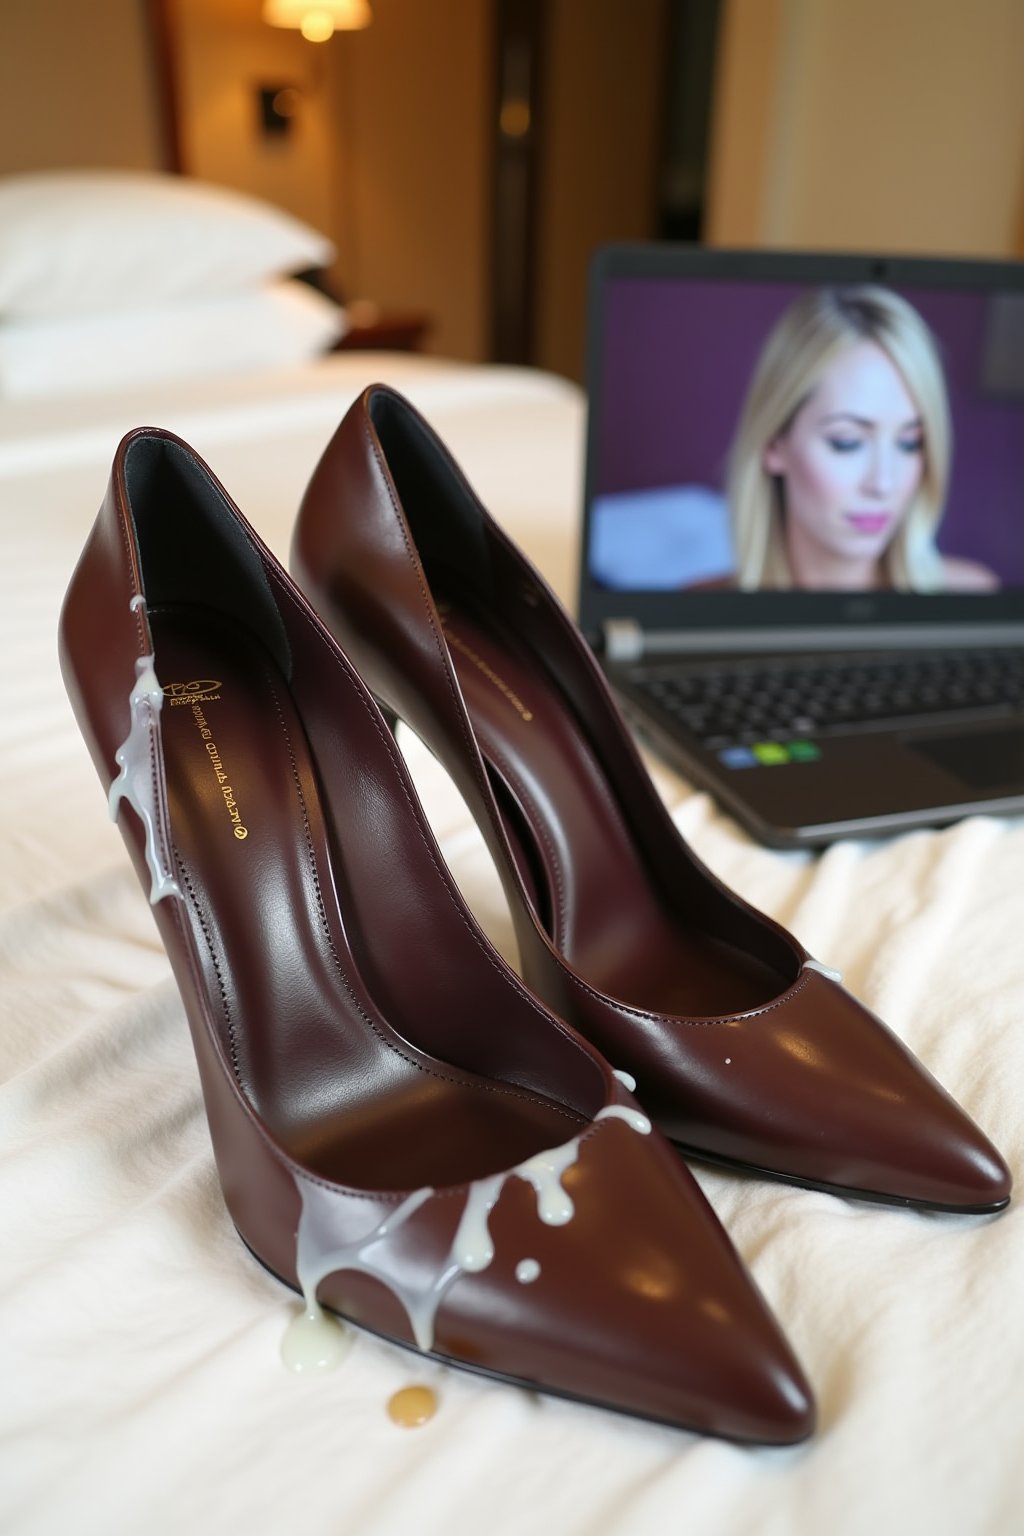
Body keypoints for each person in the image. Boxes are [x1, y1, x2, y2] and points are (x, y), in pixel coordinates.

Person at [726, 285, 998, 591]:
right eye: (847, 442)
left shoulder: (968, 596)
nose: (883, 484)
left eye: (909, 443)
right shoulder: (701, 618)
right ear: (774, 446)